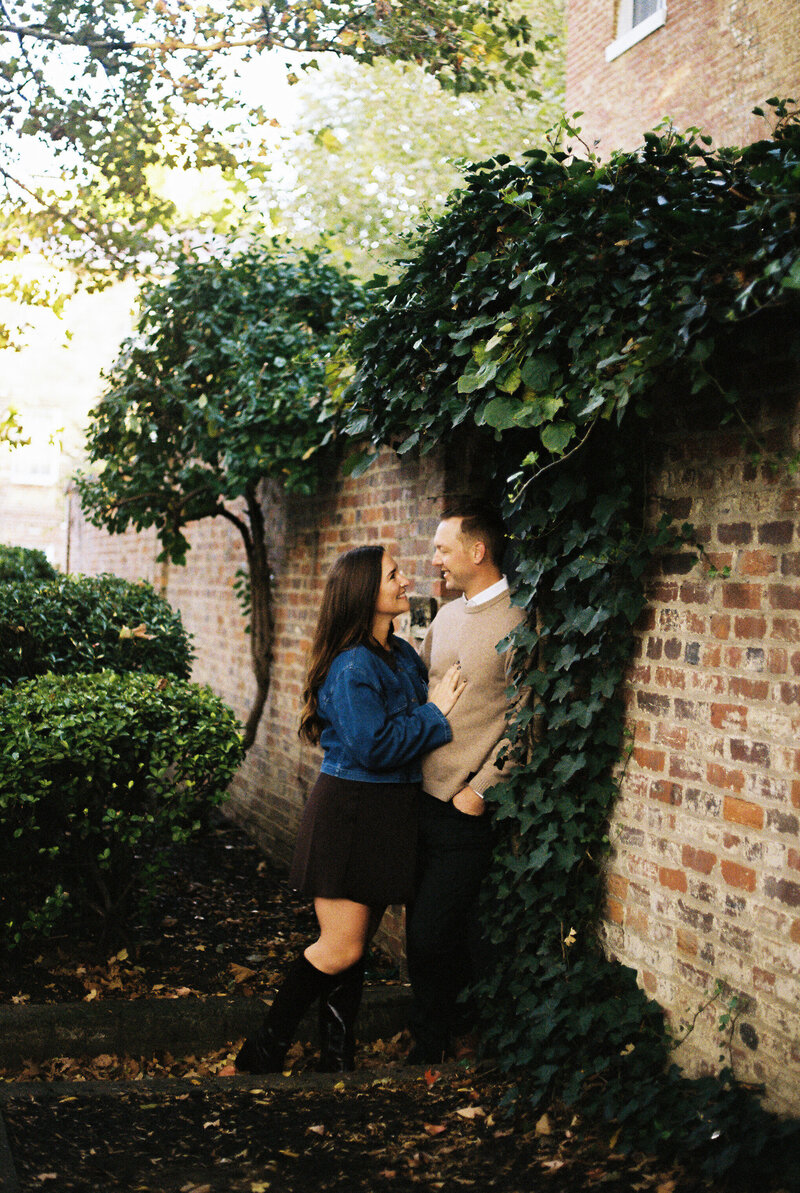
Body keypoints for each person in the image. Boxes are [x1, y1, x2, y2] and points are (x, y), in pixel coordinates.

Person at [236, 544, 466, 1074]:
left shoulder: (401, 654)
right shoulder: (352, 664)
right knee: (338, 947)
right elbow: (375, 746)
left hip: (389, 815)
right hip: (351, 812)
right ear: (365, 591)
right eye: (393, 575)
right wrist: (435, 715)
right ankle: (262, 1054)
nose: (406, 581)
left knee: (354, 947)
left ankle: (336, 1062)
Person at [405, 500, 526, 1064]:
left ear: (478, 551)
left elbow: (530, 718)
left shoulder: (521, 621)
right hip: (420, 800)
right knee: (431, 932)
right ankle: (439, 1042)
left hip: (465, 808)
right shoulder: (448, 617)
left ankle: (444, 1045)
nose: (435, 561)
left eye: (443, 550)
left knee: (434, 933)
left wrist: (480, 790)